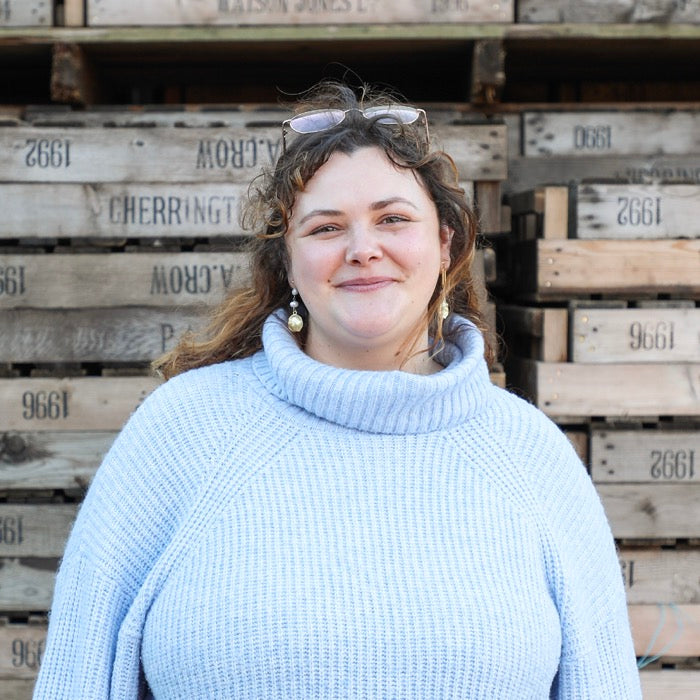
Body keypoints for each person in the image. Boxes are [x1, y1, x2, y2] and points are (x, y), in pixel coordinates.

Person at [34, 81, 641, 699]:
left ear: (444, 244)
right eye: (326, 228)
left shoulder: (530, 455)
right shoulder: (183, 432)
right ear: (287, 261)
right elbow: (75, 680)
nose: (362, 250)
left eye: (393, 219)